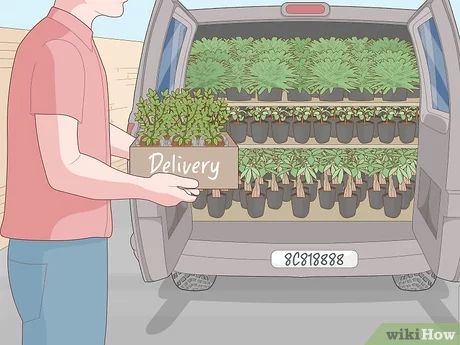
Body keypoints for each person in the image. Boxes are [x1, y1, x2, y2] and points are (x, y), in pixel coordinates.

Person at [0, 1, 199, 344]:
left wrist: (149, 153)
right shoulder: (58, 49)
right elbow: (66, 168)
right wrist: (149, 188)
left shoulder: (72, 41)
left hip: (63, 244)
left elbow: (90, 129)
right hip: (59, 246)